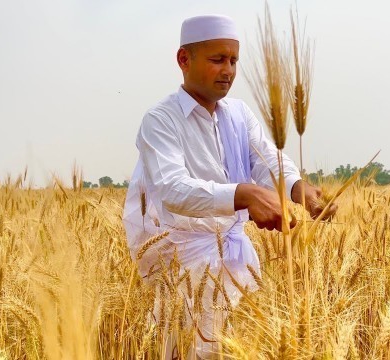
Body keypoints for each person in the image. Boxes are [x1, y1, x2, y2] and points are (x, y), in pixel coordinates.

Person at [123, 14, 337, 359]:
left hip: (236, 261)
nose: (228, 70)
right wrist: (243, 194)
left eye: (234, 60)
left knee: (243, 347)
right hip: (185, 266)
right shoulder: (160, 121)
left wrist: (299, 189)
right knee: (192, 349)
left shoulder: (239, 114)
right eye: (217, 59)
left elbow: (267, 161)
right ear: (183, 59)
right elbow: (173, 190)